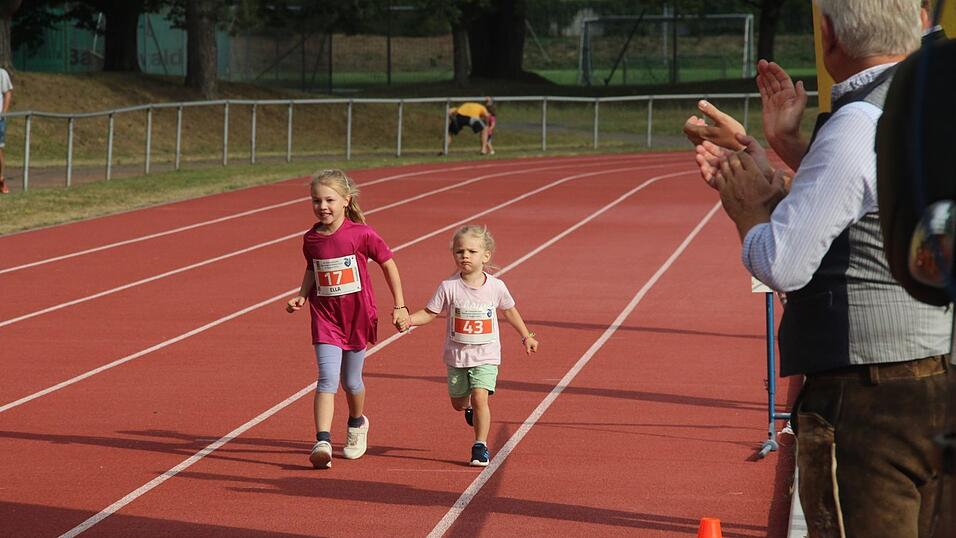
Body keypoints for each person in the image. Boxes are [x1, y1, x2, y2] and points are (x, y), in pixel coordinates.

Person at [688, 0, 952, 536]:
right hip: (938, 380)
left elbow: (782, 262)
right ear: (921, 21)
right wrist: (780, 151)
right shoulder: (927, 103)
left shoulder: (857, 123)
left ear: (828, 34)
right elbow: (880, 207)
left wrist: (748, 209)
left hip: (868, 397)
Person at [286, 169, 410, 469]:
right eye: (316, 201)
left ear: (346, 201)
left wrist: (400, 305)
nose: (322, 206)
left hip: (357, 317)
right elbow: (313, 268)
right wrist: (303, 294)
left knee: (351, 382)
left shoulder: (362, 234)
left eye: (329, 199)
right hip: (325, 318)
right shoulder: (311, 238)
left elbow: (388, 265)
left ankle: (356, 423)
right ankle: (323, 441)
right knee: (327, 379)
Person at [398, 225, 538, 466]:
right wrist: (410, 320)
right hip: (457, 357)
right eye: (459, 251)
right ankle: (467, 409)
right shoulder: (448, 287)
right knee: (459, 403)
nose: (465, 256)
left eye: (472, 251)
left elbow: (510, 311)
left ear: (486, 256)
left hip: (486, 355)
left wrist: (526, 336)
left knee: (480, 397)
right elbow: (430, 312)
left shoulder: (496, 287)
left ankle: (480, 445)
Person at [0, 66, 13, 194]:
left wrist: (3, 113)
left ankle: (1, 179)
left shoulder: (1, 73)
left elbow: (7, 93)